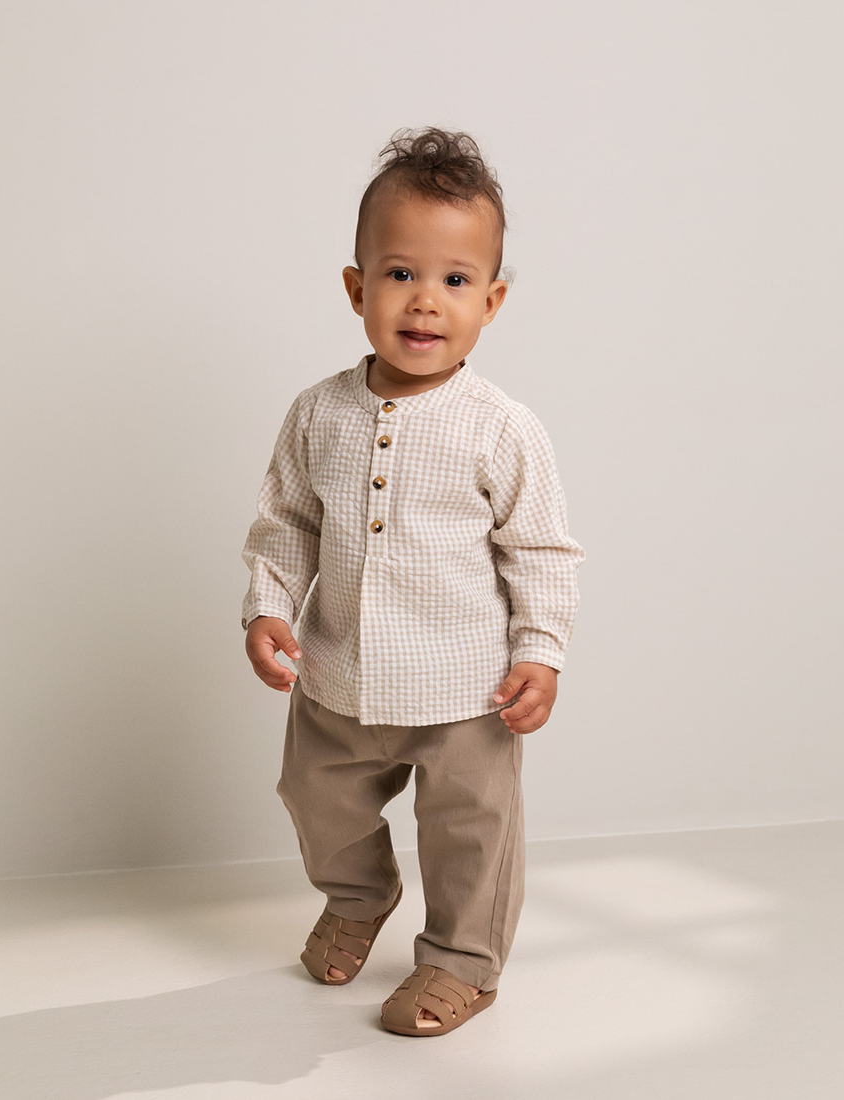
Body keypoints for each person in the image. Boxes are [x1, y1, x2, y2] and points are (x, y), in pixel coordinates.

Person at [241, 126, 586, 1036]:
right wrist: (269, 607)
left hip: (468, 690)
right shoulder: (317, 413)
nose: (426, 300)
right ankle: (359, 894)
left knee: (472, 829)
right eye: (399, 273)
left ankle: (463, 960)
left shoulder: (501, 428)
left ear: (492, 301)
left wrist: (540, 652)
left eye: (456, 280)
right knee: (316, 799)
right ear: (357, 288)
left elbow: (541, 551)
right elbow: (287, 522)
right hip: (338, 675)